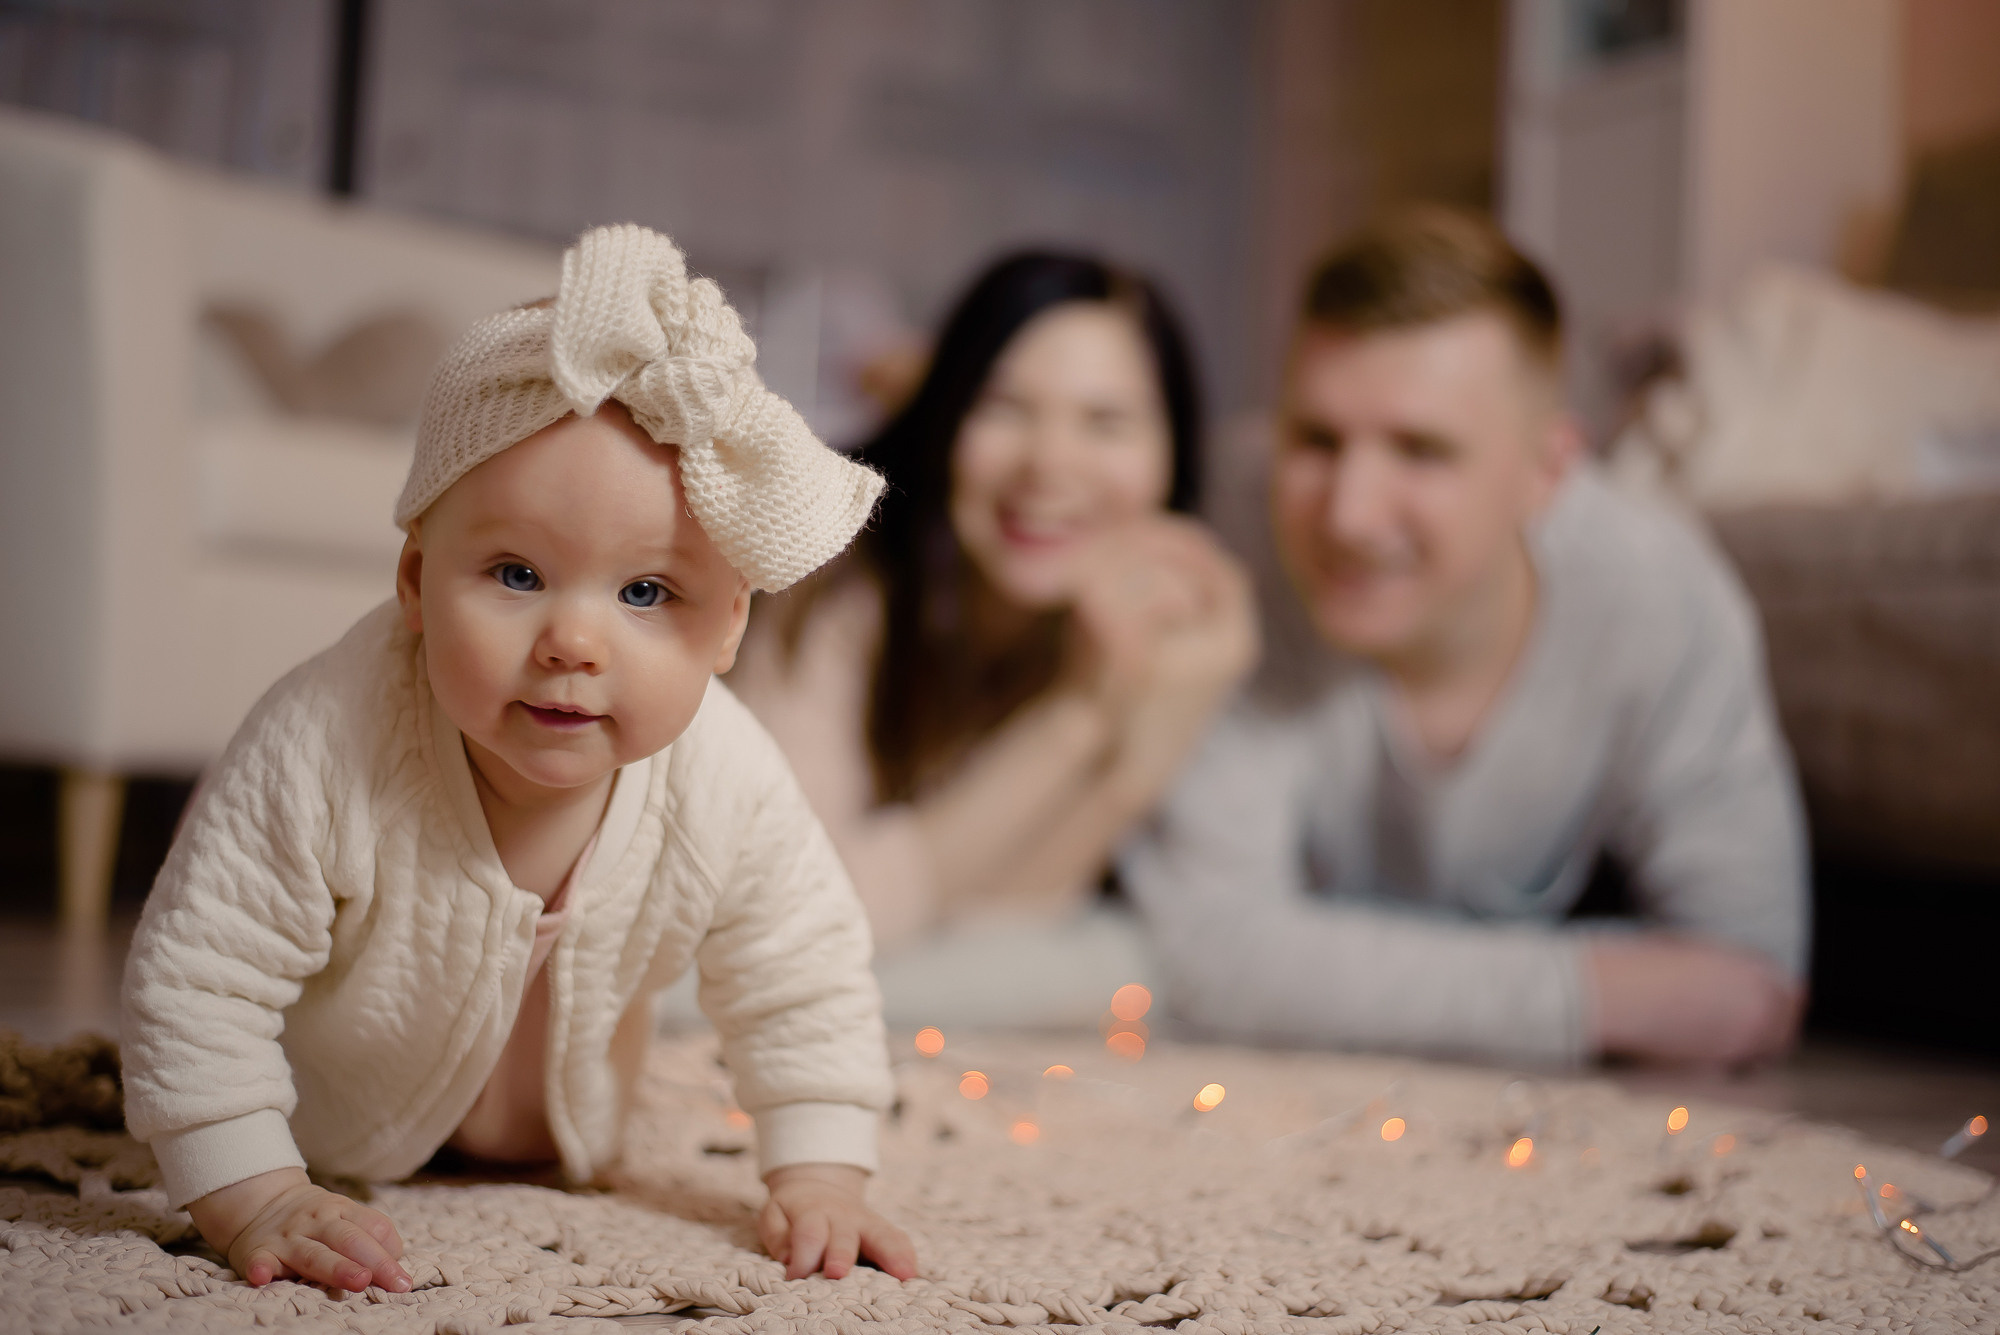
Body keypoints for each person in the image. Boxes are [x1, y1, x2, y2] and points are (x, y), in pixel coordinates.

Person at [119, 224, 916, 1293]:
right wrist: (251, 1189)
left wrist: (822, 1173)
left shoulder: (724, 776)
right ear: (412, 580)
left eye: (646, 593)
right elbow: (200, 975)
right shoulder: (328, 737)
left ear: (728, 631)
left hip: (571, 1146)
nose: (572, 643)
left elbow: (800, 973)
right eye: (513, 572)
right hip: (329, 1133)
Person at [1121, 208, 1809, 1069]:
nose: (1347, 513)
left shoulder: (1662, 595)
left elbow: (1747, 983)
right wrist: (1600, 992)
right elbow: (1208, 952)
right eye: (1315, 440)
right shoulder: (1230, 547)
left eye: (1420, 450)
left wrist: (1318, 968)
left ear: (1548, 471)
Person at [728, 253, 1256, 1020]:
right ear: (945, 417)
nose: (1049, 464)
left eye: (1105, 422)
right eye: (1004, 406)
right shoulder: (828, 585)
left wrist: (1127, 773)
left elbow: (1012, 928)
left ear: (1171, 462)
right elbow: (788, 922)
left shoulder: (1160, 628)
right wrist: (1078, 719)